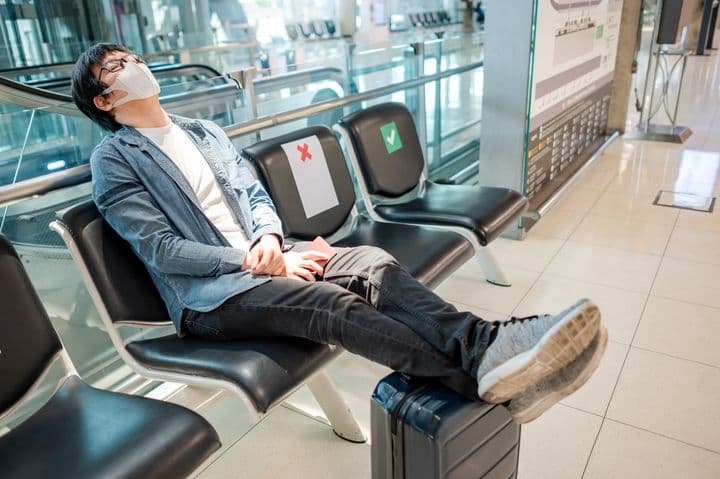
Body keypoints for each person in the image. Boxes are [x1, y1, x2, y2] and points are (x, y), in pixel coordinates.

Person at [71, 43, 607, 424]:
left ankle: (485, 346)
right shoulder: (114, 161)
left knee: (371, 263)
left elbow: (254, 195)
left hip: (267, 259)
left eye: (133, 59)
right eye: (119, 67)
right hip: (209, 299)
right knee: (333, 306)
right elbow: (163, 251)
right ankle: (487, 383)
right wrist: (254, 260)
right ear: (103, 100)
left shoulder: (201, 132)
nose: (135, 67)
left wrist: (272, 243)